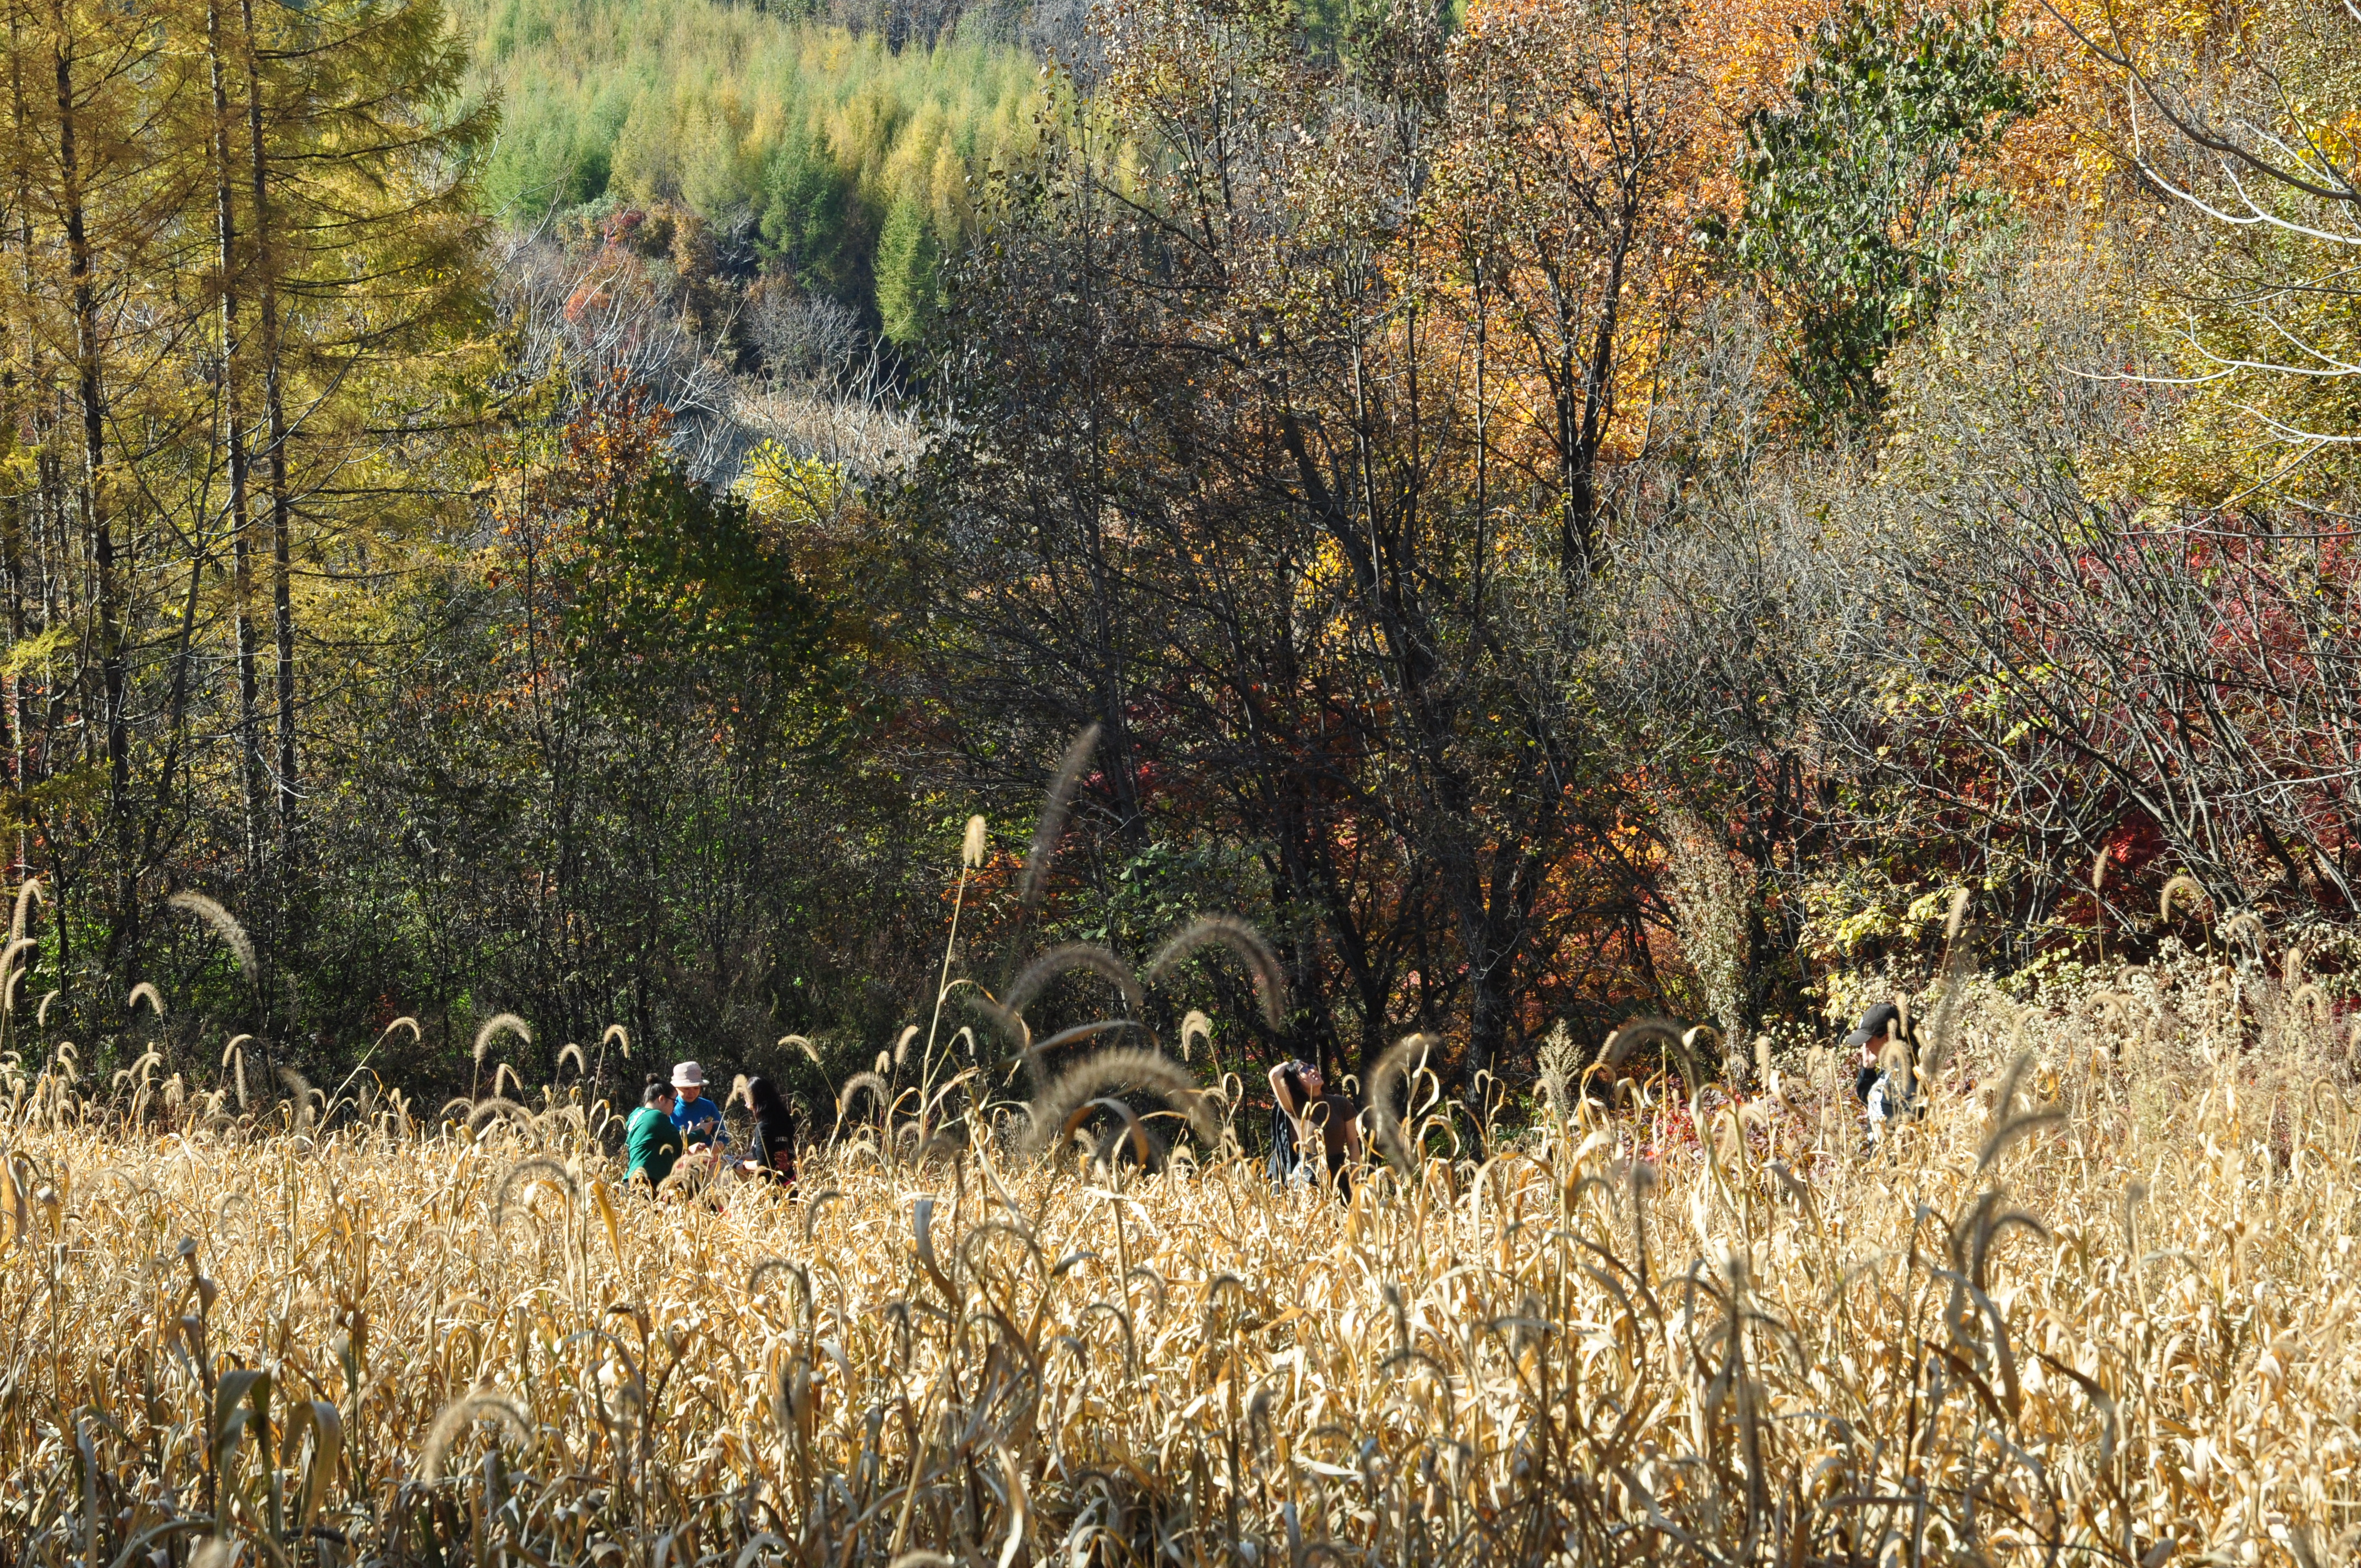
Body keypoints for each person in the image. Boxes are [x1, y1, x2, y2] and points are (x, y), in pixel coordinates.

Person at [1266, 1058, 1363, 1188]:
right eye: (1305, 1070)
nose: (1313, 1070)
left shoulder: (1341, 1103)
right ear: (1296, 1082)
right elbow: (1274, 1076)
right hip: (1307, 1177)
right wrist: (1289, 1064)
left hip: (1339, 1174)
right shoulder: (1293, 1107)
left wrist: (1355, 1180)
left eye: (1313, 1066)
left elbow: (1353, 1143)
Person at [1843, 1001, 1919, 1138]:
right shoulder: (1890, 1069)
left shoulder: (1906, 1071)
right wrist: (1867, 1069)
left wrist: (1897, 1151)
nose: (1864, 1046)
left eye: (1867, 1040)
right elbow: (1875, 1103)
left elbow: (1917, 1116)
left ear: (1887, 1038)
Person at [625, 1080, 685, 1189]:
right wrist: (701, 1132)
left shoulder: (636, 1115)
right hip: (647, 1183)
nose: (675, 1107)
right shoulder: (656, 1116)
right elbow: (682, 1142)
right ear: (662, 1099)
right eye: (674, 1102)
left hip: (630, 1180)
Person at [739, 1074, 797, 1185]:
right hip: (790, 1184)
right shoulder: (784, 1120)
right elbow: (769, 1153)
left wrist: (743, 1165)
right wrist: (741, 1157)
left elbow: (763, 1165)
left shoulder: (763, 1128)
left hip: (774, 1190)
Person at [669, 1061, 726, 1150]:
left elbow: (723, 1137)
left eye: (696, 1088)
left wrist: (710, 1151)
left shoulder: (709, 1106)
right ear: (676, 1088)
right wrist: (688, 1147)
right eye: (686, 1088)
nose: (692, 1093)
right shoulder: (668, 1108)